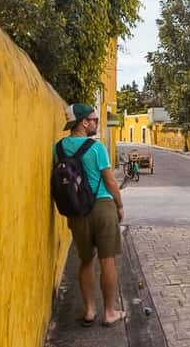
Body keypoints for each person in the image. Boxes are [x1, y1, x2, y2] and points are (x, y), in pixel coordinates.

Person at [56, 103, 126, 327]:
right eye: (94, 120)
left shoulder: (58, 148)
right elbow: (110, 181)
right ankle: (109, 312)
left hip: (76, 210)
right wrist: (120, 205)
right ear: (84, 122)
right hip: (102, 206)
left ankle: (89, 310)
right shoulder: (96, 148)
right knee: (107, 260)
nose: (96, 123)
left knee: (85, 261)